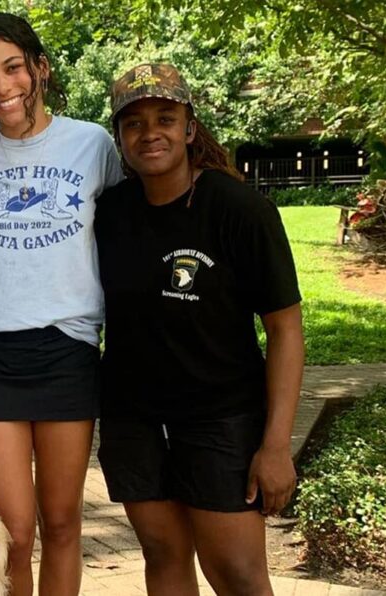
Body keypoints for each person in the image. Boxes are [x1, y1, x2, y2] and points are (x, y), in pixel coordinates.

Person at [94, 63, 304, 595]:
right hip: (133, 419)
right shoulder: (109, 213)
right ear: (119, 136)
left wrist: (275, 445)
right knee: (163, 555)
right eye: (134, 123)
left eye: (166, 117)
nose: (150, 133)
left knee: (235, 572)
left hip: (221, 420)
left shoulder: (239, 209)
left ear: (190, 128)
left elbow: (285, 329)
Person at [0, 13, 124, 596]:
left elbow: (128, 230)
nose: (2, 88)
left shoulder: (92, 144)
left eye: (13, 67)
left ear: (40, 68)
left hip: (67, 347)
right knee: (13, 532)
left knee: (64, 522)